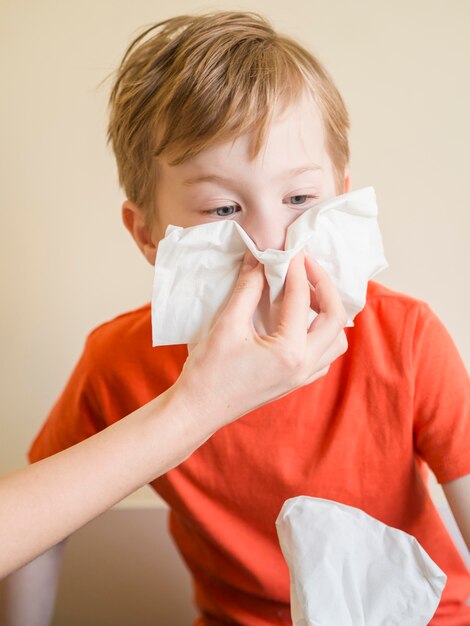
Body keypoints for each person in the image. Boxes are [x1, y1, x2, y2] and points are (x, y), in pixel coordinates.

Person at [4, 11, 469, 626]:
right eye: (223, 208)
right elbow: (41, 527)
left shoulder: (405, 341)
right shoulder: (117, 365)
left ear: (343, 196)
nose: (271, 242)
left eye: (300, 199)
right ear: (147, 234)